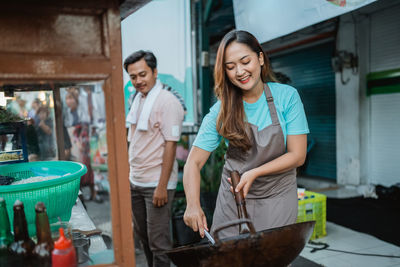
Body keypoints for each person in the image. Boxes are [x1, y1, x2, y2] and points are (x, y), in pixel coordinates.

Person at [183, 30, 309, 239]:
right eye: (230, 67)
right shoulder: (221, 110)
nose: (239, 71)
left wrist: (254, 172)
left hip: (277, 195)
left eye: (245, 61)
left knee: (271, 257)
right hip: (234, 198)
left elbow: (298, 155)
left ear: (260, 58)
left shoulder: (287, 97)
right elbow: (193, 163)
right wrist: (193, 205)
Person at [124, 50, 185, 267]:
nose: (138, 81)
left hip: (156, 184)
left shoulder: (167, 102)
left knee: (159, 243)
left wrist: (161, 187)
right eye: (133, 77)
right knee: (144, 239)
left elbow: (171, 144)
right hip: (136, 181)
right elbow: (134, 141)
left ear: (155, 72)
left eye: (143, 74)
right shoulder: (137, 99)